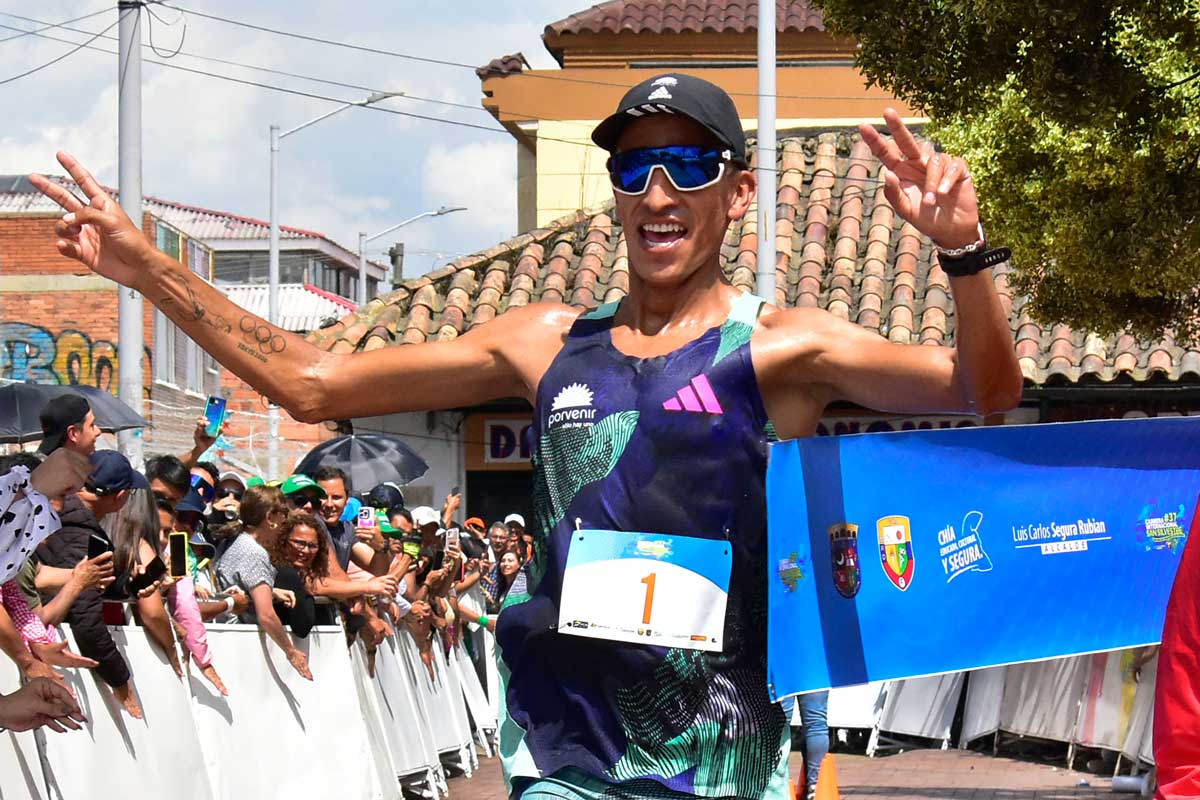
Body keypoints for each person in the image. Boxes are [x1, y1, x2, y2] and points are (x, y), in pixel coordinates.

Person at [33, 71, 1021, 798]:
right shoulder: (542, 341)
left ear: (739, 191)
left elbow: (983, 391)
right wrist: (145, 270)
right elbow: (308, 379)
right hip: (564, 747)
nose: (660, 192)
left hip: (726, 752)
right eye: (635, 166)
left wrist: (964, 255)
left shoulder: (776, 347)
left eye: (689, 164)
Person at [35, 450, 149, 718]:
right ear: (120, 498)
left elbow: (80, 582)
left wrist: (126, 587)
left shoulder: (69, 518)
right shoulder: (80, 534)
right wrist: (121, 682)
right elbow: (86, 621)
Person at [213, 485, 312, 680]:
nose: (286, 519)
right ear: (269, 518)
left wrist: (272, 591)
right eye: (283, 513)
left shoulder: (235, 541)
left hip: (228, 638)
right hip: (241, 645)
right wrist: (291, 651)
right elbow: (266, 615)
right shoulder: (254, 553)